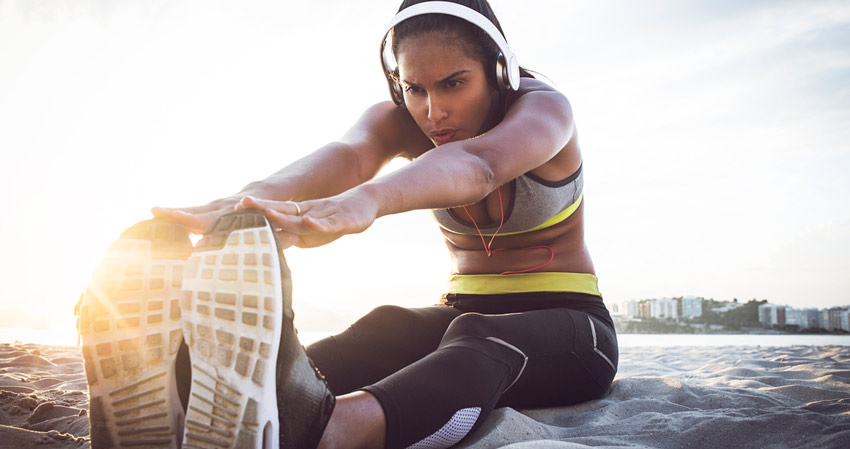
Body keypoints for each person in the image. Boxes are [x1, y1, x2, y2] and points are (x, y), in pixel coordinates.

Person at [80, 1, 618, 448]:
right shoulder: (405, 119)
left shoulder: (545, 111)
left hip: (572, 326)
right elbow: (349, 155)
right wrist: (252, 198)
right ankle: (204, 395)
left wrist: (363, 205)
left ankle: (324, 432)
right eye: (415, 89)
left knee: (478, 337)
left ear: (498, 73)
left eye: (454, 83)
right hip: (459, 309)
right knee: (389, 325)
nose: (433, 111)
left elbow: (479, 167)